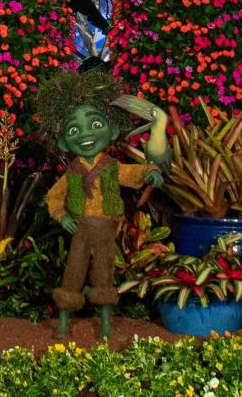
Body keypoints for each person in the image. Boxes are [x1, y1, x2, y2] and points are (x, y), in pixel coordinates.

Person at [36, 71, 168, 339]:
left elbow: (131, 174)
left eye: (95, 125)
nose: (85, 134)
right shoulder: (72, 172)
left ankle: (106, 326)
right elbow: (53, 197)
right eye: (74, 130)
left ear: (113, 130)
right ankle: (63, 323)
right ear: (63, 141)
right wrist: (62, 217)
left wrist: (149, 172)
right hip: (81, 229)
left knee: (104, 275)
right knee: (73, 273)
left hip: (106, 229)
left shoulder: (111, 166)